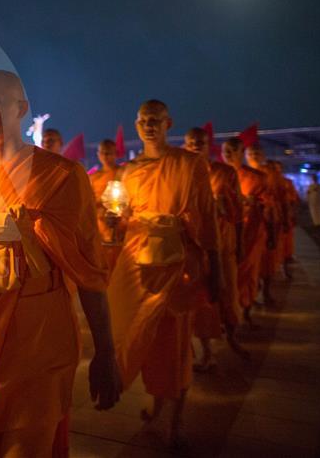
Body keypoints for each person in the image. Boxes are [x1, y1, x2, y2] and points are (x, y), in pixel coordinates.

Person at [0, 71, 120, 456]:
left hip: (39, 332)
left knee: (25, 441)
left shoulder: (61, 175)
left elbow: (89, 271)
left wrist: (106, 351)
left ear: (21, 109)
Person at [107, 101, 219, 449]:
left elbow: (207, 215)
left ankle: (175, 420)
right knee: (136, 333)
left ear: (168, 123)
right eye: (143, 121)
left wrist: (215, 270)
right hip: (136, 263)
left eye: (155, 120)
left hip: (175, 264)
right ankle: (154, 395)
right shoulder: (129, 171)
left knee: (174, 343)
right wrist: (115, 223)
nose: (148, 126)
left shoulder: (189, 164)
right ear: (136, 125)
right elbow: (125, 221)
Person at [184, 128, 249, 369]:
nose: (195, 146)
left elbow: (238, 214)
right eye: (191, 143)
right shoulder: (183, 174)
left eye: (200, 142)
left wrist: (240, 242)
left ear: (208, 145)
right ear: (185, 145)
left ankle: (233, 337)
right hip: (197, 246)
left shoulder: (224, 173)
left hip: (223, 243)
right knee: (201, 299)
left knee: (228, 294)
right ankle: (206, 351)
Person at [222, 138, 270, 328]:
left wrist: (252, 202)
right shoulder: (218, 174)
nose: (228, 153)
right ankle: (228, 313)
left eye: (233, 150)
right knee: (226, 276)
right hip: (226, 231)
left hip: (250, 232)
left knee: (247, 273)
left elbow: (267, 203)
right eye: (225, 150)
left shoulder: (257, 177)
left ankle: (245, 309)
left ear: (242, 153)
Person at [246, 145, 283, 307]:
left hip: (265, 220)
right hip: (246, 224)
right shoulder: (242, 173)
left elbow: (276, 197)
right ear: (245, 155)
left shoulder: (269, 175)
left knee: (266, 262)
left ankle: (266, 292)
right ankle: (250, 295)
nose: (253, 155)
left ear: (263, 156)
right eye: (250, 153)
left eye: (257, 153)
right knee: (248, 265)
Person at [90, 139, 122, 270]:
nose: (105, 156)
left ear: (116, 154)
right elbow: (90, 201)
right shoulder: (94, 177)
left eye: (109, 153)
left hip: (120, 222)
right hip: (101, 223)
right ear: (98, 154)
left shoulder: (123, 172)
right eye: (102, 153)